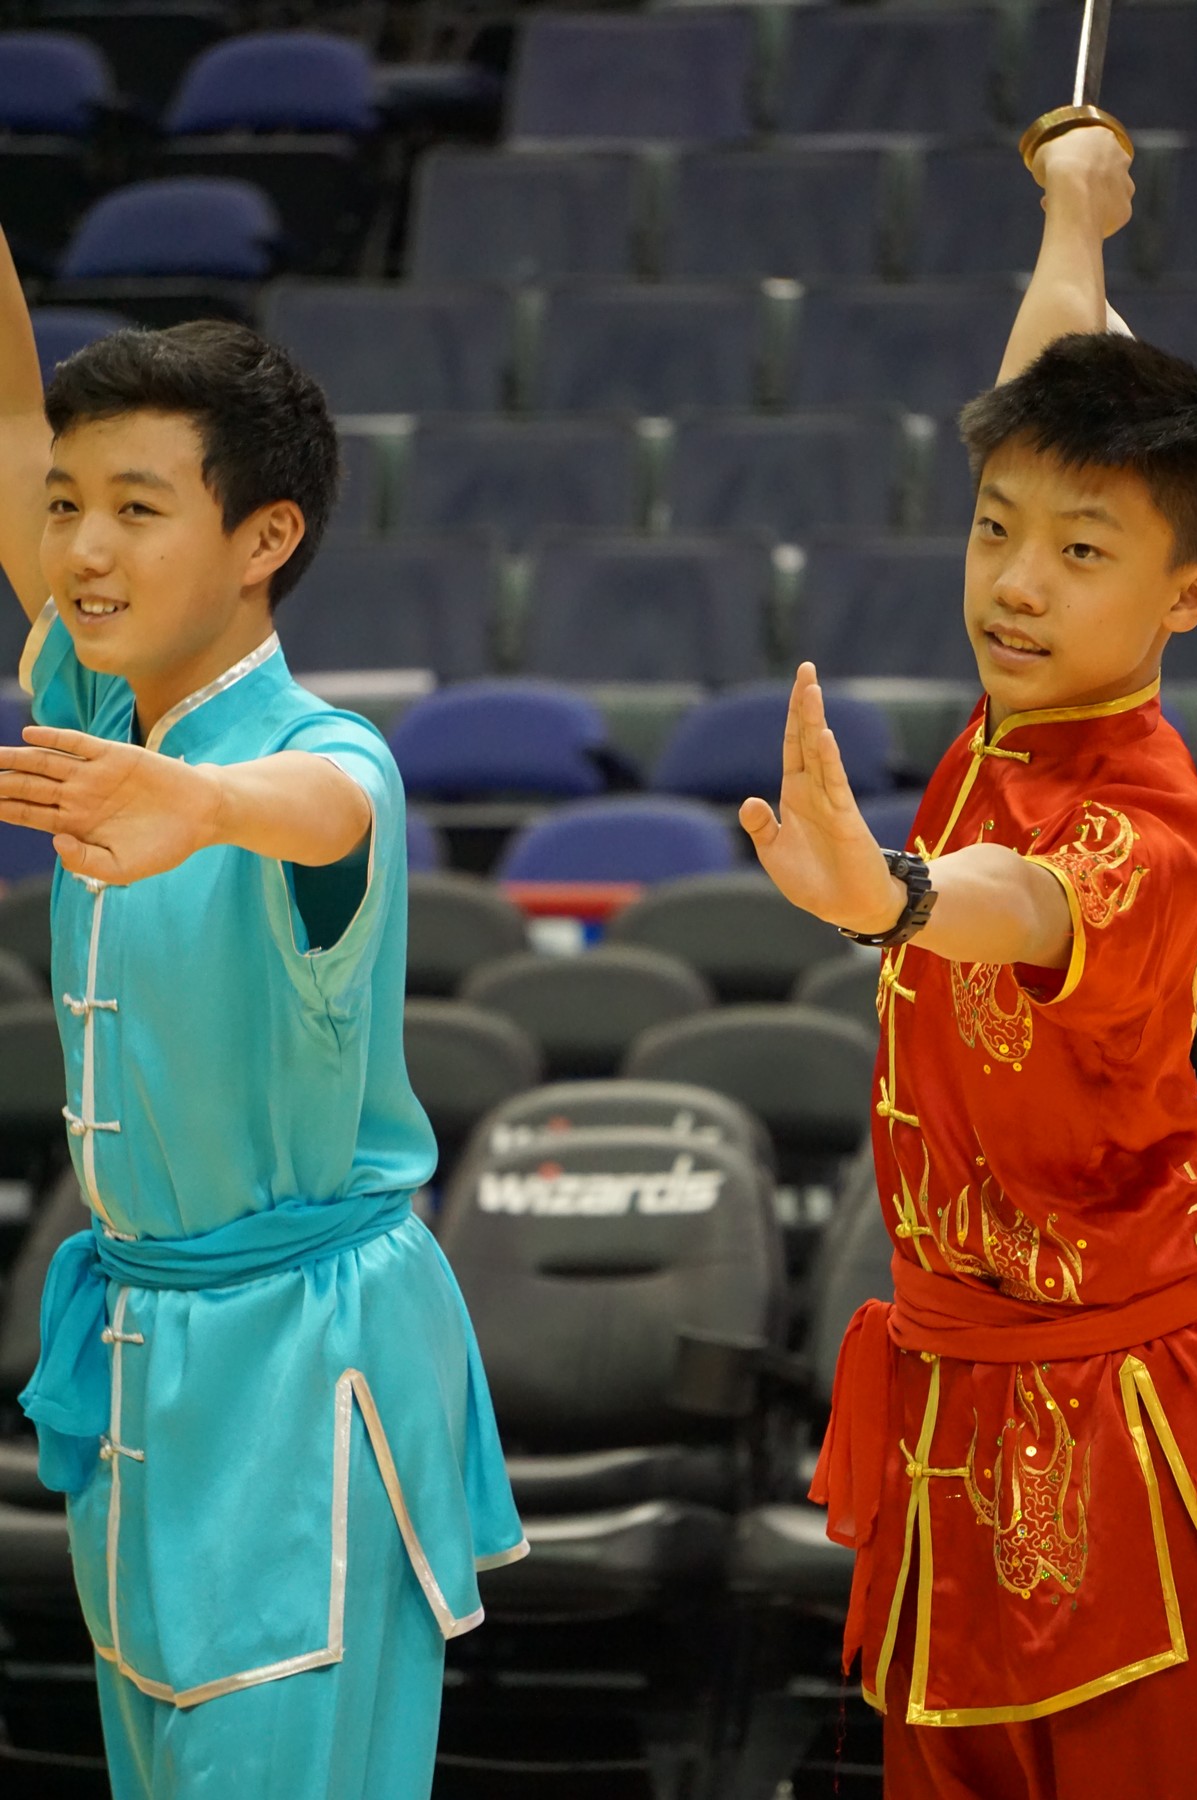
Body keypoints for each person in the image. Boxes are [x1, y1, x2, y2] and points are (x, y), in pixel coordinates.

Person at [0, 235, 526, 1799]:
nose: (83, 549)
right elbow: (11, 421)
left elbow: (325, 806)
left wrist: (207, 805)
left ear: (264, 537)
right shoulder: (104, 703)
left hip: (305, 1368)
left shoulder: (321, 751)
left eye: (137, 509)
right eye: (68, 511)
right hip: (146, 1352)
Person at [741, 126, 1197, 1798]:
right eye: (994, 529)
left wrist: (894, 895)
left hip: (1115, 1426)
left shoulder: (1146, 820)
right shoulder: (1018, 719)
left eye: (1082, 555)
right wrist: (1074, 213)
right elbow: (1041, 385)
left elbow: (1023, 901)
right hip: (953, 1398)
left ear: (1185, 597)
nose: (1014, 584)